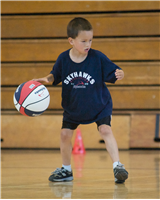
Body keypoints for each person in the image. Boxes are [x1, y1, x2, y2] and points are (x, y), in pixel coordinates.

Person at [33, 17, 128, 184]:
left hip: (99, 105)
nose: (88, 44)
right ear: (71, 40)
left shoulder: (97, 57)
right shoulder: (63, 59)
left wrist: (120, 73)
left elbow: (115, 71)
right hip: (74, 108)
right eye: (83, 40)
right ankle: (66, 170)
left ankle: (118, 166)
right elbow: (55, 74)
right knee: (64, 134)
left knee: (105, 130)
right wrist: (48, 79)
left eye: (90, 40)